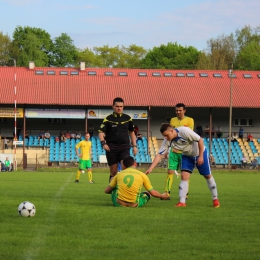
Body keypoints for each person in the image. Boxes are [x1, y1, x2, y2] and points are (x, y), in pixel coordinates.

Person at [146, 124, 220, 208]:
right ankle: (182, 202)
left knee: (207, 175)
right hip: (186, 156)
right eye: (164, 136)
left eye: (167, 135)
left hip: (199, 153)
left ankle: (215, 199)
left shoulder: (184, 131)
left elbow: (200, 140)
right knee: (184, 176)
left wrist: (200, 156)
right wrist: (151, 168)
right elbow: (159, 155)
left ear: (172, 131)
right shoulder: (167, 140)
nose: (166, 137)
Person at [98, 97, 138, 182]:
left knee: (126, 169)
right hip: (111, 148)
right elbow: (101, 132)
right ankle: (113, 193)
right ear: (113, 106)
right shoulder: (108, 119)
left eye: (121, 106)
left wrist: (134, 146)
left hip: (124, 147)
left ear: (123, 107)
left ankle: (123, 192)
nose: (119, 108)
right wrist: (103, 143)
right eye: (117, 106)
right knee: (113, 171)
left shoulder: (128, 118)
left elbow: (132, 132)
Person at [104, 156, 169, 207]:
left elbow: (106, 191)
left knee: (113, 181)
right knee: (147, 193)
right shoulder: (142, 175)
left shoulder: (119, 174)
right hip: (134, 205)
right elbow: (153, 193)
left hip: (118, 204)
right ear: (135, 163)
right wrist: (162, 196)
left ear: (123, 165)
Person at [165, 103, 194, 200]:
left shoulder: (190, 120)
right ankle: (167, 193)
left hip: (184, 152)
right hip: (173, 151)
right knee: (170, 172)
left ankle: (185, 194)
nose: (178, 112)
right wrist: (166, 149)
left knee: (184, 174)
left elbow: (188, 135)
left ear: (184, 110)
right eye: (176, 110)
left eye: (180, 110)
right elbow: (169, 136)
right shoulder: (172, 120)